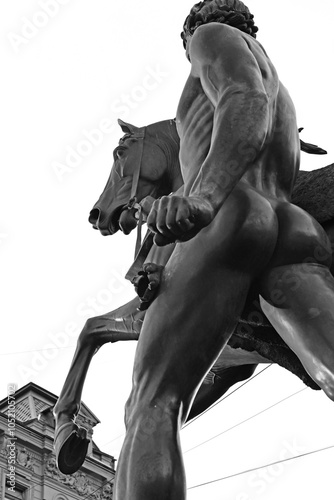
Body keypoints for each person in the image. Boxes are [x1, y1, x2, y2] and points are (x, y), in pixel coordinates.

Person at [114, 2, 334, 498]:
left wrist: (202, 195)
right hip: (290, 224)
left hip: (229, 217)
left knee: (152, 404)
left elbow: (243, 99)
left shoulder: (207, 38)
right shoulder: (279, 78)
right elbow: (258, 105)